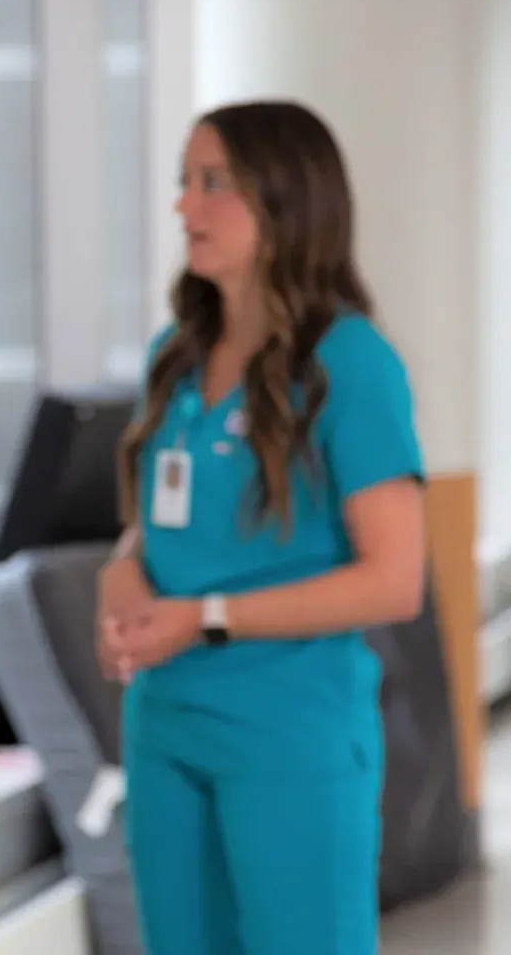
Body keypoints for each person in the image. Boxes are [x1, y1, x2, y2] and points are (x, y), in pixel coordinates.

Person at [96, 100, 429, 955]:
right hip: (167, 729)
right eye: (183, 183)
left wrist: (205, 618)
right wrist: (124, 569)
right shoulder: (176, 355)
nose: (185, 208)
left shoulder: (350, 365)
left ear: (285, 201)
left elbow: (394, 579)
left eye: (214, 185)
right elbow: (159, 521)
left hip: (289, 736)